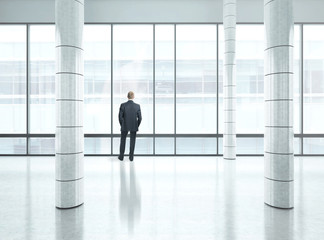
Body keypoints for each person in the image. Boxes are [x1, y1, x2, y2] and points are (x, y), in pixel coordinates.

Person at [118, 91, 142, 161]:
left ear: (127, 96)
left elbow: (120, 117)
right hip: (133, 125)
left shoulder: (123, 105)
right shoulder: (137, 106)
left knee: (123, 140)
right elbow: (140, 118)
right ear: (133, 97)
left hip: (124, 125)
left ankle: (121, 157)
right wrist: (136, 125)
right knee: (132, 141)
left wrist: (122, 124)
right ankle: (131, 157)